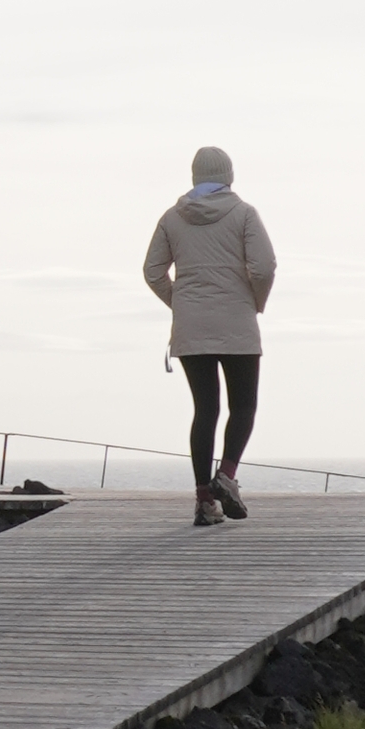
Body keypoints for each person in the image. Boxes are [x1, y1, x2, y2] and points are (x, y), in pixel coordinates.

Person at [142, 146, 276, 525]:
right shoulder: (245, 214)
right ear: (229, 175)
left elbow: (153, 272)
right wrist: (254, 302)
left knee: (206, 409)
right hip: (237, 323)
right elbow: (264, 267)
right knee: (244, 405)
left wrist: (182, 304)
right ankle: (227, 476)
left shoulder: (172, 218)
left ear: (194, 177)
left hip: (191, 327)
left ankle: (204, 501)